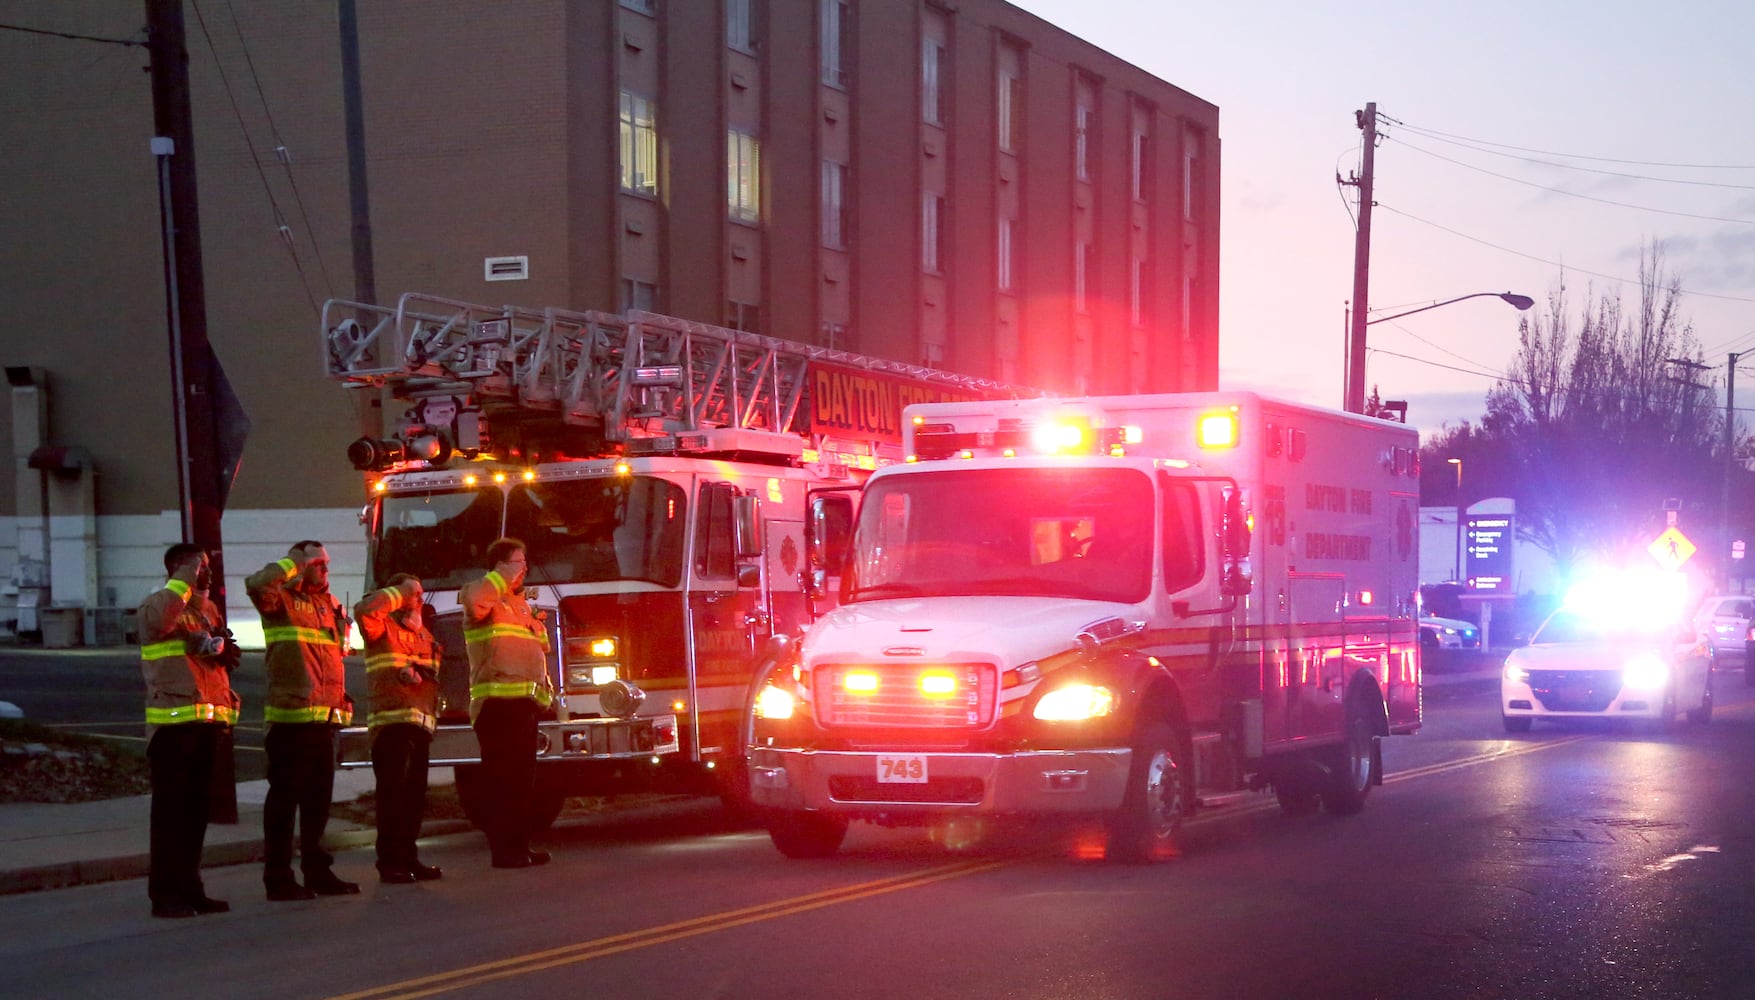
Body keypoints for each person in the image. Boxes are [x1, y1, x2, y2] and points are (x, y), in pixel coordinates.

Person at [246, 540, 360, 900]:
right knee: (284, 803)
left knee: (317, 804)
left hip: (324, 720)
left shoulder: (328, 606)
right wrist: (292, 563)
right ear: (300, 566)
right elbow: (257, 583)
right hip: (291, 721)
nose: (325, 569)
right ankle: (277, 878)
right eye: (317, 563)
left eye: (326, 562)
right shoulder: (280, 599)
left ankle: (317, 872)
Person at [139, 543, 242, 919]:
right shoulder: (157, 605)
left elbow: (209, 665)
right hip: (172, 728)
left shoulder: (206, 611)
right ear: (178, 570)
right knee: (170, 817)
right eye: (200, 567)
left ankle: (190, 888)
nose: (206, 573)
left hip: (204, 724)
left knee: (196, 814)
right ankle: (164, 894)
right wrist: (187, 575)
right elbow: (165, 620)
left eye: (207, 567)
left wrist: (221, 649)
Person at [461, 537, 555, 868]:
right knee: (501, 783)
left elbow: (538, 649)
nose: (525, 568)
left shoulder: (518, 604)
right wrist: (503, 575)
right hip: (498, 706)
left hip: (524, 705)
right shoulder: (481, 593)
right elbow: (475, 602)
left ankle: (519, 846)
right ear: (501, 566)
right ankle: (504, 851)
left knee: (521, 784)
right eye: (519, 562)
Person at [354, 573, 443, 884]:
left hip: (420, 724)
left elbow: (434, 671)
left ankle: (409, 857)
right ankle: (390, 863)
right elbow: (364, 611)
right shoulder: (381, 625)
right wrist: (399, 593)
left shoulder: (423, 634)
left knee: (414, 797)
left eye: (418, 594)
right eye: (412, 594)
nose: (418, 599)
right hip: (391, 723)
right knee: (392, 796)